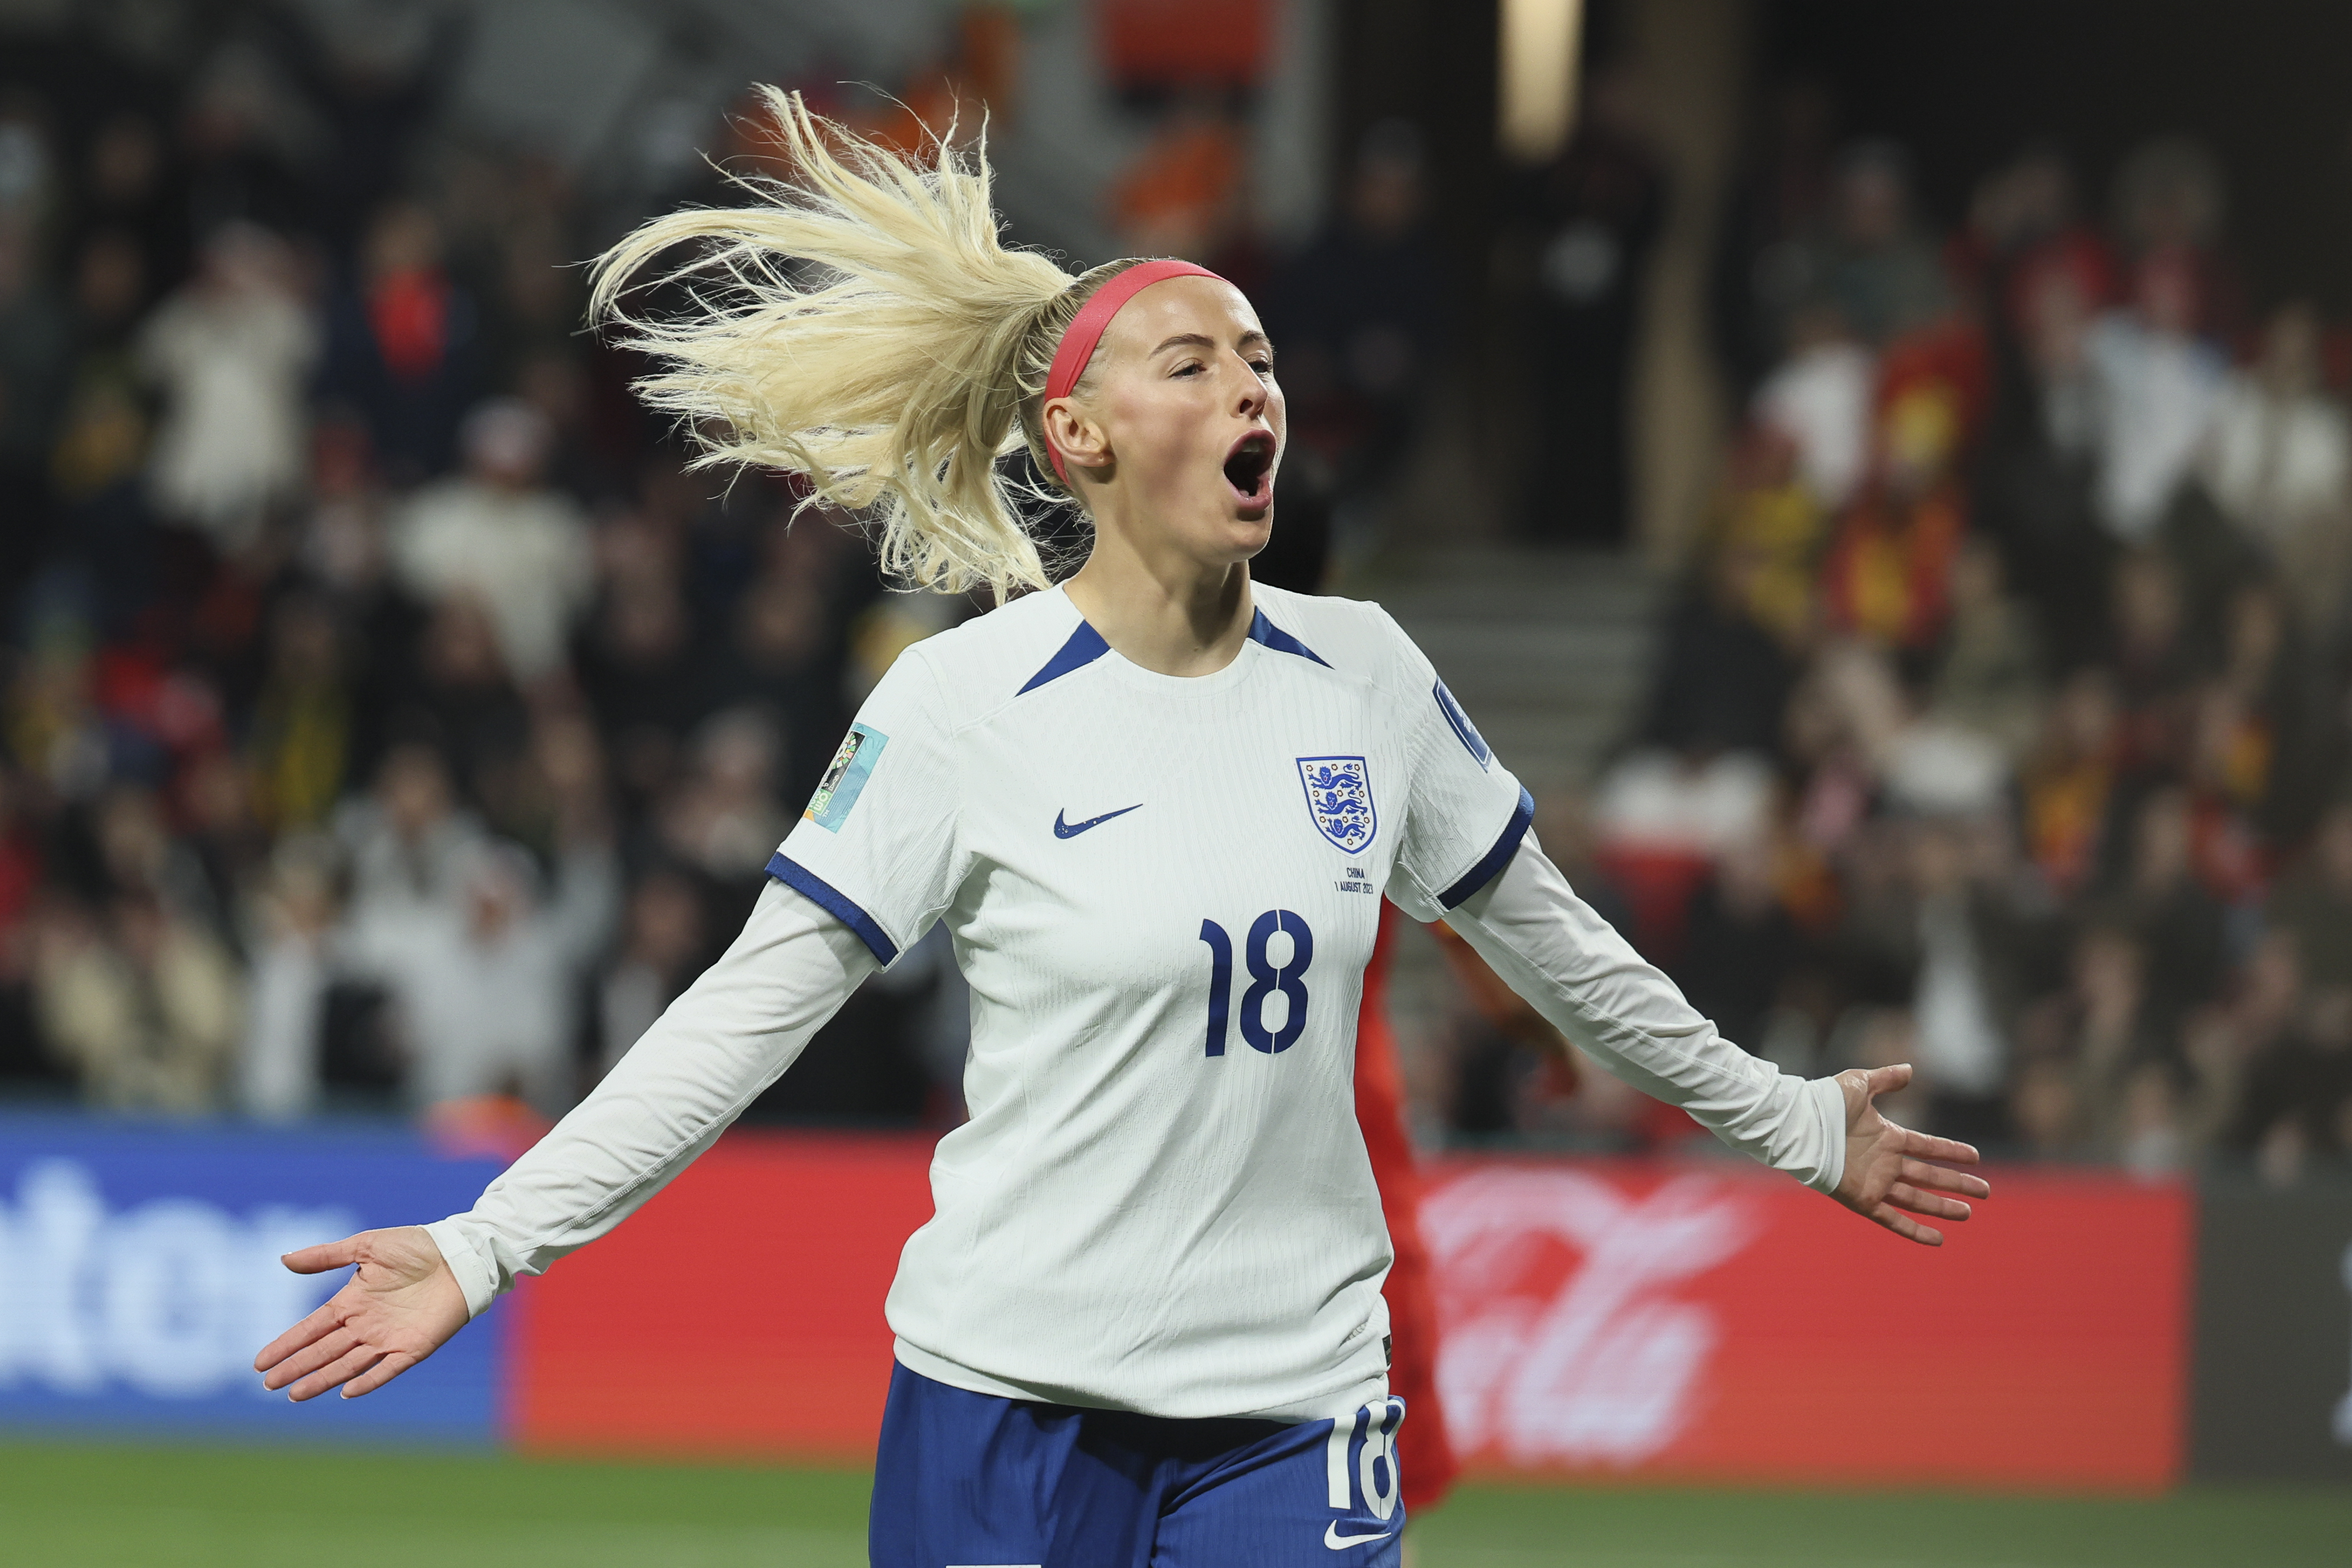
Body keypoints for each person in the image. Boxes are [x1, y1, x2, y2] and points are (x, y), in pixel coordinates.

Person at [251, 94, 1987, 1566]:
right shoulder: (958, 707)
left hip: (1296, 1408)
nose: (1256, 389)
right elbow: (740, 1013)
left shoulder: (1367, 676)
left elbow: (1561, 951)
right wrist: (485, 1246)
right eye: (1197, 358)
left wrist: (1791, 1120)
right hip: (1006, 1410)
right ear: (1076, 434)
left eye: (1263, 357)